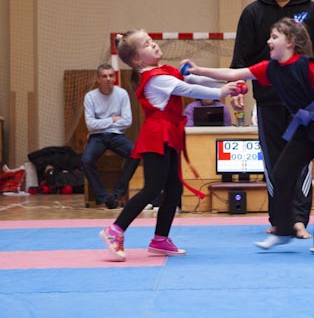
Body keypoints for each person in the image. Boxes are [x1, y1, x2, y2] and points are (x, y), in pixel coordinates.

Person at [183, 17, 314, 254]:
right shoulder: (269, 68)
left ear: (289, 42)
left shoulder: (307, 66)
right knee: (281, 173)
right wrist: (197, 70)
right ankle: (283, 230)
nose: (269, 41)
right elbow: (233, 73)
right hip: (305, 126)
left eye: (274, 37)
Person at [99, 29, 239, 261]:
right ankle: (115, 230)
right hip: (157, 135)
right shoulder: (156, 78)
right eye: (146, 44)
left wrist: (228, 81)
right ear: (137, 60)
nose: (154, 44)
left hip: (170, 133)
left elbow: (194, 80)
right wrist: (220, 92)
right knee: (152, 188)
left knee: (174, 189)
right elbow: (188, 89)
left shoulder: (165, 71)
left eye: (151, 40)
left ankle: (160, 238)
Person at [230, 0, 314, 239]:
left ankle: (299, 219)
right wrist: (237, 88)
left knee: (300, 160)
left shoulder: (310, 11)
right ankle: (279, 219)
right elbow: (241, 58)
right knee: (274, 162)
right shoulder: (253, 13)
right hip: (268, 100)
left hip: (304, 101)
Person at [82, 63, 140, 209]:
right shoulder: (90, 97)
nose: (108, 79)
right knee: (86, 160)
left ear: (114, 78)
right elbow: (91, 125)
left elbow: (127, 121)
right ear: (98, 79)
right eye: (104, 76)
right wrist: (112, 119)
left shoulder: (122, 94)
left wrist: (102, 122)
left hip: (116, 135)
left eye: (111, 76)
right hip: (97, 136)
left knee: (135, 153)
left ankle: (116, 194)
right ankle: (103, 197)